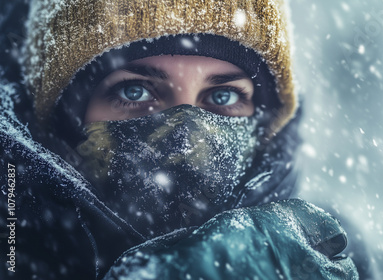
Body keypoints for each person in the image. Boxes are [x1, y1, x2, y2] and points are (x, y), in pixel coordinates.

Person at [0, 0, 359, 279]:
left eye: (223, 97)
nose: (185, 138)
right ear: (66, 121)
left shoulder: (328, 256)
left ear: (263, 126)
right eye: (136, 91)